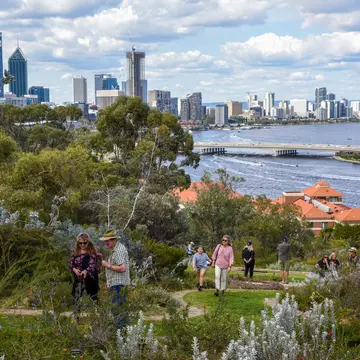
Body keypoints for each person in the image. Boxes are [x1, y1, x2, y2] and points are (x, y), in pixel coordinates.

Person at [100, 229, 130, 330]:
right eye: (104, 241)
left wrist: (107, 265)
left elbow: (122, 268)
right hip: (116, 284)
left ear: (114, 240)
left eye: (107, 240)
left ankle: (121, 333)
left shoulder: (118, 250)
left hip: (119, 285)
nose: (105, 243)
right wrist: (109, 283)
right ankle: (123, 333)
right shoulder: (116, 249)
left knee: (118, 311)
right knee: (119, 310)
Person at [69, 233, 99, 315]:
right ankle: (76, 317)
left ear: (88, 242)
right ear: (78, 243)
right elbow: (71, 265)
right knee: (76, 297)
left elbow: (92, 265)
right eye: (80, 243)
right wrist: (75, 270)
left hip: (90, 279)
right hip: (78, 279)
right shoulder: (75, 252)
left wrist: (86, 271)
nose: (82, 245)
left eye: (85, 243)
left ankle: (98, 314)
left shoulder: (92, 253)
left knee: (93, 296)